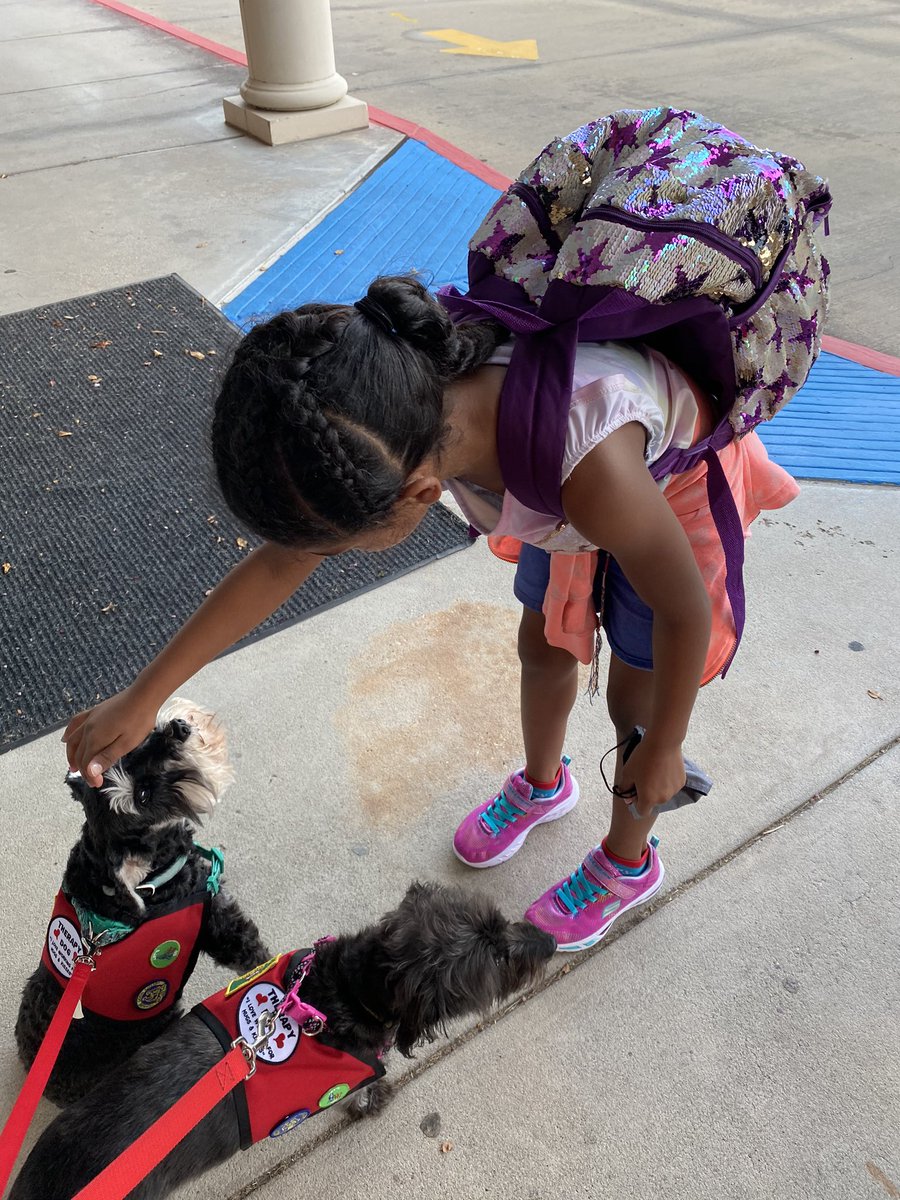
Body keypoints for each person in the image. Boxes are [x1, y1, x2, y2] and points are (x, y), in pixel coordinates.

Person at [63, 275, 798, 950]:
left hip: (666, 496)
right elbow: (285, 557)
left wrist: (665, 745)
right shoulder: (390, 402)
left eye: (342, 548)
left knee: (637, 704)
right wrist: (145, 695)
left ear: (418, 495)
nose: (324, 557)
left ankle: (627, 860)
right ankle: (546, 784)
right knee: (543, 643)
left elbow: (683, 613)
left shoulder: (591, 469)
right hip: (557, 489)